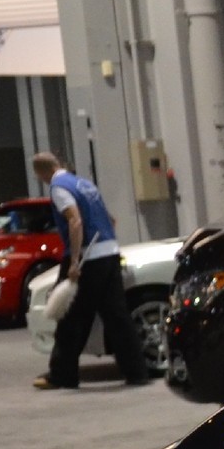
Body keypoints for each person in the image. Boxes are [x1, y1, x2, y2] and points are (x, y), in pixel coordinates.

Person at [34, 152, 149, 389]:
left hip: (88, 257)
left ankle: (62, 375)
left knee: (71, 317)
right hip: (109, 252)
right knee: (117, 315)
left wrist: (75, 262)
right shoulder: (84, 183)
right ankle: (137, 372)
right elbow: (111, 220)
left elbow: (75, 221)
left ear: (41, 173)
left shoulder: (58, 187)